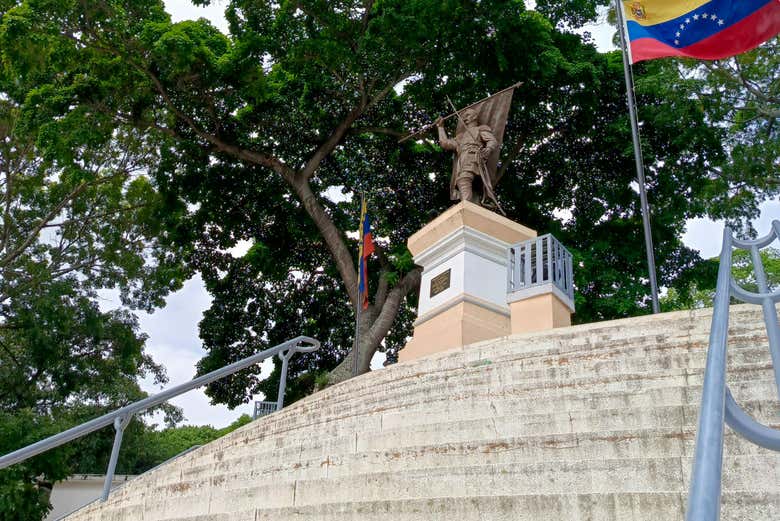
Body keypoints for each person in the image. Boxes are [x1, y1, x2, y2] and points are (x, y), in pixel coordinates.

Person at [435, 109, 500, 208]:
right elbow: (445, 143)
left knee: (464, 178)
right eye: (464, 116)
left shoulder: (480, 129)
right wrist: (440, 127)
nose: (465, 118)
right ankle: (467, 203)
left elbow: (492, 140)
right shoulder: (460, 136)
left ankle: (466, 204)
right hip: (462, 159)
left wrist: (489, 148)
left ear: (474, 117)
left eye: (468, 115)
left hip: (472, 155)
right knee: (462, 179)